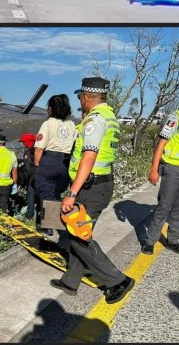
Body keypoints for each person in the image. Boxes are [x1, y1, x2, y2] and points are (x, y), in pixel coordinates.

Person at [53, 77, 135, 304]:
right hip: (98, 183)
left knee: (80, 238)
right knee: (78, 233)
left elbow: (89, 156)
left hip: (91, 185)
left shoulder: (95, 120)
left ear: (87, 97)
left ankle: (117, 280)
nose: (80, 102)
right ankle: (71, 280)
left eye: (81, 97)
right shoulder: (110, 116)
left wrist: (71, 193)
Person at [34, 94, 79, 235]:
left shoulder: (48, 123)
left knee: (46, 193)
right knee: (56, 193)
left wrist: (37, 166)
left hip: (50, 160)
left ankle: (47, 228)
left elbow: (39, 148)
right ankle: (56, 223)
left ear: (52, 108)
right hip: (65, 162)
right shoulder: (71, 124)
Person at [141, 106, 179, 255]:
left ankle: (172, 240)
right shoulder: (176, 117)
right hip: (173, 169)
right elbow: (161, 144)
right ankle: (150, 241)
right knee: (164, 206)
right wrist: (154, 169)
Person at [20, 133, 38, 220]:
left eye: (23, 142)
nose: (23, 144)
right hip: (41, 177)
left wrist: (25, 179)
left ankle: (29, 214)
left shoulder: (29, 152)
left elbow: (28, 168)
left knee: (31, 196)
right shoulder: (39, 150)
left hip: (33, 177)